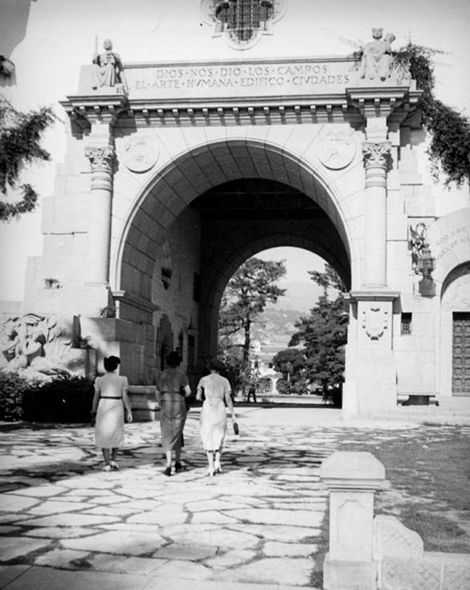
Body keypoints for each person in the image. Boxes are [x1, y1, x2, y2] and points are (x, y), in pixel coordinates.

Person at [91, 355, 133, 471]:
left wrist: (93, 410)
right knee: (116, 431)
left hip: (104, 404)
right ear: (115, 367)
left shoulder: (100, 380)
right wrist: (129, 411)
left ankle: (107, 461)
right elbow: (125, 397)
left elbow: (95, 397)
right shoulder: (122, 379)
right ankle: (113, 459)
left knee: (104, 432)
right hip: (116, 404)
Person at [196, 357, 236, 476]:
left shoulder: (203, 380)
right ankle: (218, 461)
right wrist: (232, 413)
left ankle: (210, 466)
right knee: (220, 435)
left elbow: (198, 397)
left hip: (208, 407)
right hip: (219, 408)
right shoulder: (225, 381)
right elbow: (228, 398)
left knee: (208, 435)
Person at [156, 351, 191, 476]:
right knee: (178, 431)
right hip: (178, 403)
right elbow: (188, 391)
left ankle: (168, 463)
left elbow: (158, 392)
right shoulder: (181, 375)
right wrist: (181, 395)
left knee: (167, 432)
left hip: (166, 403)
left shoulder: (161, 374)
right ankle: (177, 460)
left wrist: (160, 403)